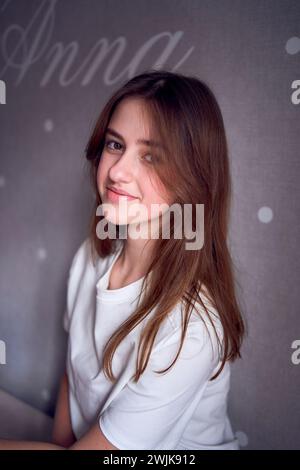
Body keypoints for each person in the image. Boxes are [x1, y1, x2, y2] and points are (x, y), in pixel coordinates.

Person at [0, 69, 245, 450]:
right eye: (115, 145)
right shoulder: (90, 259)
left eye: (151, 155)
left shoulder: (192, 328)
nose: (117, 172)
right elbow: (75, 371)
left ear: (194, 179)